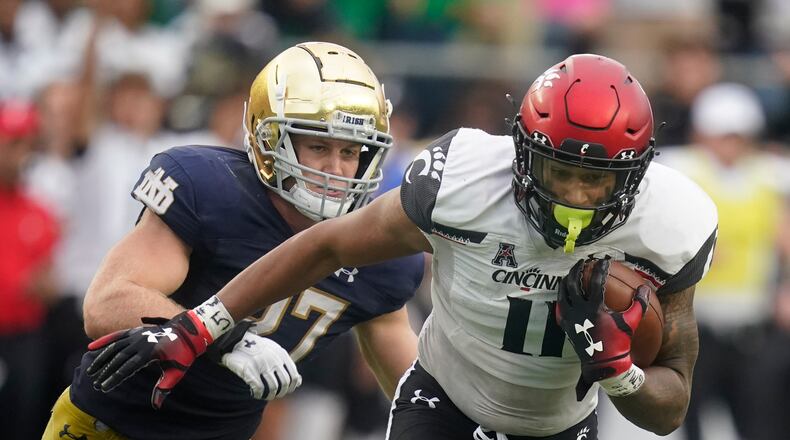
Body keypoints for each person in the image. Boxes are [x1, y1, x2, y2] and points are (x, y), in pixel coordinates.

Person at [86, 54, 718, 439]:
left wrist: (621, 373)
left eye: (598, 180)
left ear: (633, 179)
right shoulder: (462, 181)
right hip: (442, 399)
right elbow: (328, 246)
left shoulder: (673, 223)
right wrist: (210, 326)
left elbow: (670, 408)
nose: (577, 197)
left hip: (560, 423)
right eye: (560, 172)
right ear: (522, 155)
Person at [42, 41, 424, 440]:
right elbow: (105, 303)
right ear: (270, 139)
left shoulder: (377, 251)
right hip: (113, 426)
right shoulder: (211, 190)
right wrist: (225, 338)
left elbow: (411, 389)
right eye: (318, 146)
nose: (336, 169)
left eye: (350, 151)